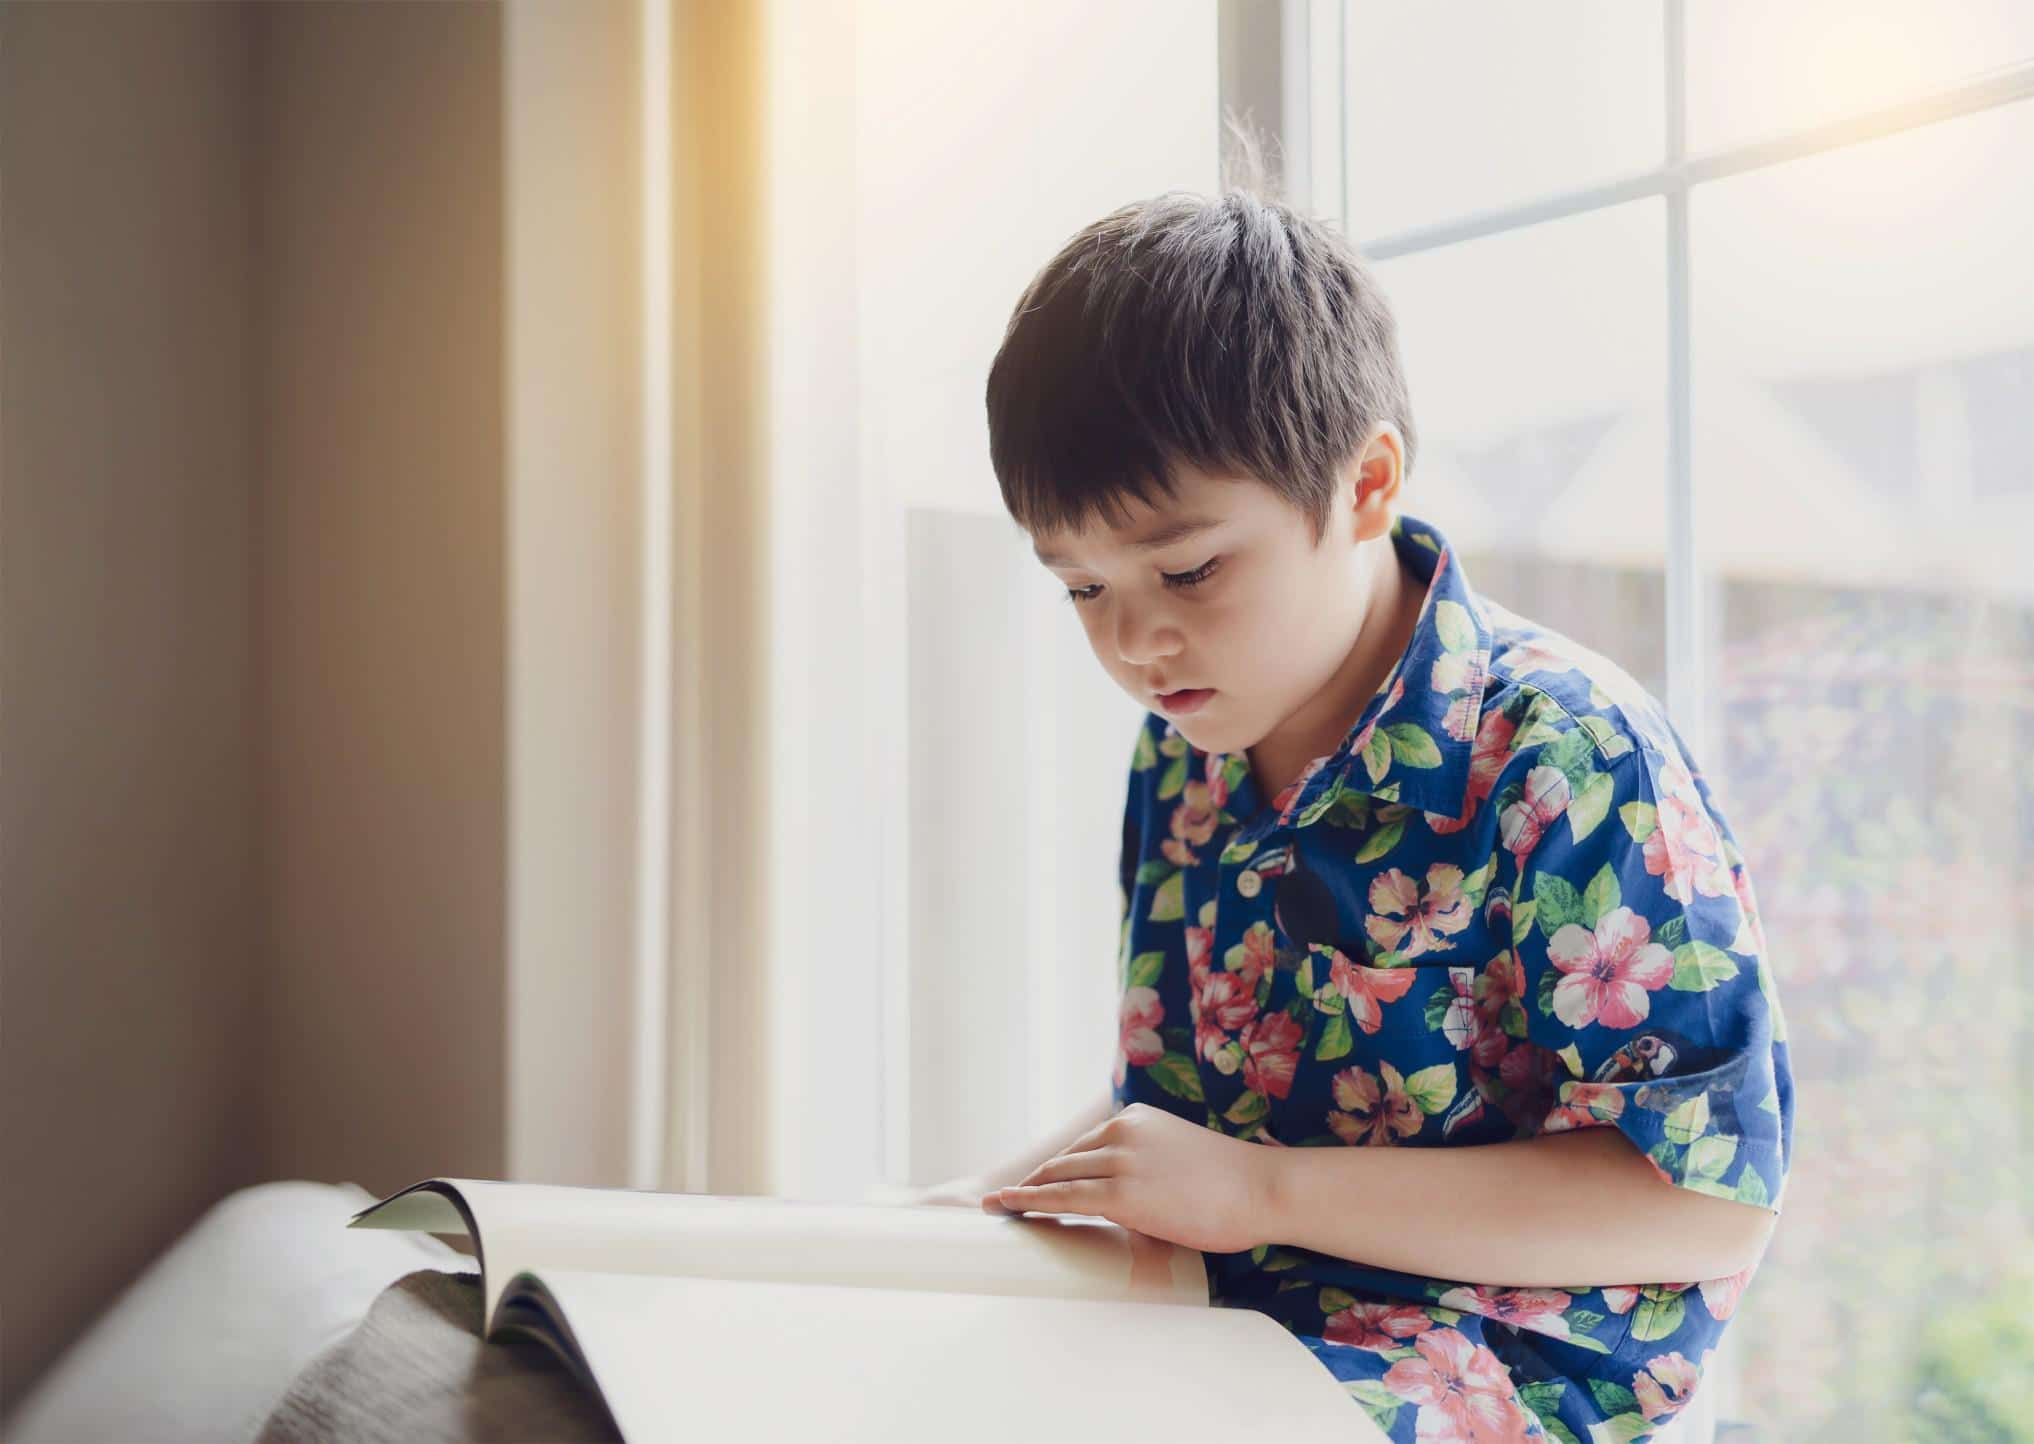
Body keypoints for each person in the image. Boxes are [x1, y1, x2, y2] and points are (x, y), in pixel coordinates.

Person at [907, 185, 1796, 1444]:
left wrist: (1266, 1189)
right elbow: (1180, 1130)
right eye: (1083, 587)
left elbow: (1701, 1201)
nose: (1135, 640)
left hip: (1496, 1360)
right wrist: (967, 1215)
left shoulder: (1568, 751)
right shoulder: (1190, 750)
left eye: (1190, 568)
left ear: (1366, 481)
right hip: (1221, 1315)